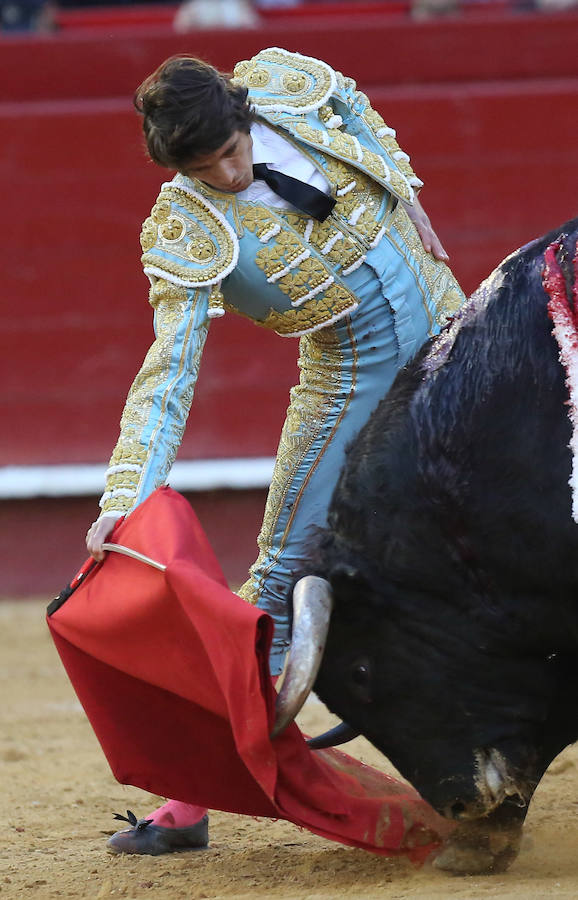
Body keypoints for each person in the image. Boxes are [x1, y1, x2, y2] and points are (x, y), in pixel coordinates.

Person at [85, 47, 466, 855]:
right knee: (280, 580)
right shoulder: (185, 228)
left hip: (453, 335)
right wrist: (125, 497)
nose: (224, 175)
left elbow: (356, 104)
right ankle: (191, 799)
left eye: (229, 151)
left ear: (241, 112)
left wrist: (410, 197)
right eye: (202, 168)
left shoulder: (285, 85)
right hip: (347, 384)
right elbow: (170, 371)